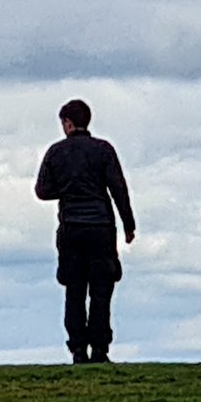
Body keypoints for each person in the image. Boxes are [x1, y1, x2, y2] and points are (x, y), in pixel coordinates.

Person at [34, 99, 136, 364]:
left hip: (71, 228)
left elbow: (42, 191)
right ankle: (100, 350)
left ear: (68, 123)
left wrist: (67, 189)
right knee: (102, 290)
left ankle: (78, 350)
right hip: (101, 227)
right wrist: (129, 225)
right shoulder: (103, 150)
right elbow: (118, 189)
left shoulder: (55, 153)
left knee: (74, 290)